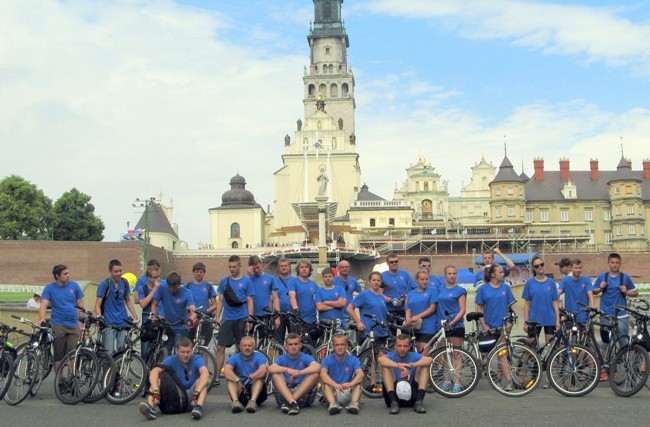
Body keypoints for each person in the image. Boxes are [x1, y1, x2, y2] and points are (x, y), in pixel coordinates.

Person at [138, 337, 209, 420]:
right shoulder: (171, 359)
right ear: (176, 351)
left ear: (192, 350)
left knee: (204, 380)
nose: (185, 355)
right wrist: (156, 390)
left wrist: (196, 393)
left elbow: (205, 373)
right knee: (157, 379)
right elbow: (154, 371)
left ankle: (198, 407)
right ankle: (151, 408)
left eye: (188, 352)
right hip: (176, 395)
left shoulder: (197, 359)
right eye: (182, 352)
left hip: (192, 397)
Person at [592, 252, 637, 380]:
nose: (614, 265)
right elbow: (593, 291)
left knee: (623, 339)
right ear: (608, 263)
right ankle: (607, 369)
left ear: (620, 263)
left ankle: (628, 366)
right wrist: (600, 288)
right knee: (606, 342)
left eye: (617, 263)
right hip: (606, 313)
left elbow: (635, 292)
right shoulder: (603, 277)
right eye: (612, 262)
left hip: (621, 314)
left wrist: (627, 291)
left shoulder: (625, 277)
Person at [475, 264, 517, 391]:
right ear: (493, 274)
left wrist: (511, 321)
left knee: (502, 353)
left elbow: (511, 307)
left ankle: (509, 380)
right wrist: (483, 325)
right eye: (500, 272)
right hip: (489, 325)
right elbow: (478, 308)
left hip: (504, 325)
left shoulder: (505, 288)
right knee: (490, 354)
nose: (503, 273)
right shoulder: (483, 289)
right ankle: (498, 377)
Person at [215, 255, 255, 387]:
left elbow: (249, 301)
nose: (232, 269)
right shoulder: (224, 281)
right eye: (230, 267)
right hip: (227, 319)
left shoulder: (247, 282)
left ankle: (241, 375)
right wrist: (217, 318)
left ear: (239, 266)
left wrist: (250, 318)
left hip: (242, 318)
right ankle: (216, 377)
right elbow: (220, 301)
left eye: (234, 267)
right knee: (220, 347)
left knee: (242, 347)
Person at [38, 264, 85, 369]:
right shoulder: (50, 288)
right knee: (59, 356)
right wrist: (41, 318)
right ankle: (60, 379)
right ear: (57, 276)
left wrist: (81, 323)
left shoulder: (74, 286)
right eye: (65, 274)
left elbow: (81, 305)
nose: (68, 275)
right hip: (58, 325)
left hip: (73, 325)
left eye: (68, 273)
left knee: (73, 354)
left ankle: (71, 379)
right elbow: (43, 305)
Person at [378, 334, 433, 414]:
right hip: (393, 397)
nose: (402, 349)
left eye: (405, 346)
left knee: (424, 366)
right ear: (395, 346)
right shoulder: (391, 355)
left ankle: (419, 402)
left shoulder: (414, 356)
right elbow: (380, 360)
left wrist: (412, 365)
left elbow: (429, 360)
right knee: (385, 366)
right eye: (399, 346)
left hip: (412, 396)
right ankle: (393, 402)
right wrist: (397, 365)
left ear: (409, 346)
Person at [269, 333, 321, 415]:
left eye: (296, 344)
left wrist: (299, 373)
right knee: (275, 374)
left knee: (315, 374)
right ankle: (293, 403)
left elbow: (317, 367)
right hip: (284, 395)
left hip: (303, 396)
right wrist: (287, 369)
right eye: (290, 344)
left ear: (300, 345)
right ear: (286, 346)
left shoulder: (305, 357)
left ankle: (290, 402)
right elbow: (271, 368)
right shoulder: (282, 358)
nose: (293, 347)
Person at [95, 259, 139, 355]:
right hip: (109, 323)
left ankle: (119, 370)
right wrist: (99, 318)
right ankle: (108, 370)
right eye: (116, 271)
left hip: (123, 322)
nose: (118, 273)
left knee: (122, 351)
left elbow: (127, 300)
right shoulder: (105, 284)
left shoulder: (124, 282)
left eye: (120, 271)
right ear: (110, 272)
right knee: (108, 352)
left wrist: (135, 316)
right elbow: (98, 304)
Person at [152, 272, 196, 354]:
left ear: (179, 284)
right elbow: (154, 304)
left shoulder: (187, 293)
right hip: (167, 326)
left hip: (181, 327)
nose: (171, 289)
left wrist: (190, 319)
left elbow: (193, 310)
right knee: (165, 351)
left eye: (174, 287)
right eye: (170, 287)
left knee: (179, 353)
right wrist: (154, 316)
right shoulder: (162, 288)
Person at [319, 334, 363, 415]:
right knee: (326, 385)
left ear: (346, 345)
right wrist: (335, 385)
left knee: (357, 385)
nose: (340, 347)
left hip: (347, 390)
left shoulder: (354, 360)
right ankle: (333, 405)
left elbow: (360, 374)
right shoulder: (326, 360)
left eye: (342, 344)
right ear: (333, 346)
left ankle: (354, 404)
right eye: (337, 345)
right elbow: (323, 375)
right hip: (333, 392)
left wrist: (351, 384)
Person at [224, 336, 268, 413]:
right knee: (230, 380)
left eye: (249, 345)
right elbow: (227, 371)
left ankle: (252, 402)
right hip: (241, 389)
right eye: (245, 345)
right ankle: (235, 403)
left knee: (259, 379)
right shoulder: (234, 357)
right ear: (240, 347)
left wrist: (251, 377)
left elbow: (263, 370)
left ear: (254, 347)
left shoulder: (259, 357)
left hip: (256, 391)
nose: (247, 348)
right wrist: (238, 380)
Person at [522, 257, 560, 346]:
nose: (540, 267)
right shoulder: (529, 283)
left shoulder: (551, 282)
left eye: (541, 264)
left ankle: (546, 360)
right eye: (537, 266)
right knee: (531, 346)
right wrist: (526, 322)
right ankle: (529, 360)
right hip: (534, 320)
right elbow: (527, 304)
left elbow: (555, 302)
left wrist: (557, 321)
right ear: (534, 268)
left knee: (551, 345)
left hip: (550, 319)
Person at [347, 271, 389, 342]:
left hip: (382, 332)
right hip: (369, 332)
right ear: (369, 282)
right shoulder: (364, 295)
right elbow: (349, 308)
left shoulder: (381, 297)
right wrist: (358, 322)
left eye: (378, 280)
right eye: (374, 280)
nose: (376, 282)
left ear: (381, 282)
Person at [404, 270, 438, 354]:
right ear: (416, 280)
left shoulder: (432, 290)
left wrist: (418, 316)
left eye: (426, 279)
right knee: (415, 354)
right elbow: (408, 308)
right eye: (422, 279)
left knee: (423, 355)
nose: (425, 281)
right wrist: (408, 318)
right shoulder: (411, 293)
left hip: (427, 327)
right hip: (414, 328)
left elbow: (432, 308)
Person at [185, 262, 217, 346]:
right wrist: (188, 308)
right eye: (196, 271)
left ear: (204, 273)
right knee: (188, 345)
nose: (198, 274)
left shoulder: (208, 286)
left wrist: (205, 312)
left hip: (204, 319)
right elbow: (182, 301)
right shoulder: (188, 286)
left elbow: (215, 305)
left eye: (201, 272)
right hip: (190, 319)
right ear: (193, 272)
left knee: (203, 346)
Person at [558, 258, 596, 325]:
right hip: (569, 315)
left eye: (580, 268)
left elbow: (590, 293)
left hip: (583, 315)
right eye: (576, 268)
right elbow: (559, 291)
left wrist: (593, 304)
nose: (578, 270)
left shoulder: (586, 280)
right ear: (571, 268)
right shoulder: (565, 280)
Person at [136, 264, 162, 360]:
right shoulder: (142, 289)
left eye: (159, 276)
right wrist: (154, 289)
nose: (157, 279)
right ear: (148, 278)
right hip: (147, 317)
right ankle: (145, 366)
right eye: (155, 277)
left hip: (160, 317)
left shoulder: (162, 286)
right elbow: (142, 304)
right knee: (145, 346)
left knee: (159, 345)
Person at [289, 260, 318, 324]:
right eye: (301, 267)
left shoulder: (313, 284)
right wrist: (295, 310)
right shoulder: (293, 282)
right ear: (298, 269)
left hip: (312, 320)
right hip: (298, 320)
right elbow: (292, 296)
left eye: (306, 267)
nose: (304, 269)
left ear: (310, 269)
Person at [272, 258, 294, 342]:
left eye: (285, 265)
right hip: (280, 315)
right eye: (281, 266)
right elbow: (272, 299)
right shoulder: (274, 281)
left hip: (292, 315)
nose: (283, 267)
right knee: (278, 341)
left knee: (293, 340)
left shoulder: (295, 280)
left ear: (289, 267)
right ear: (278, 268)